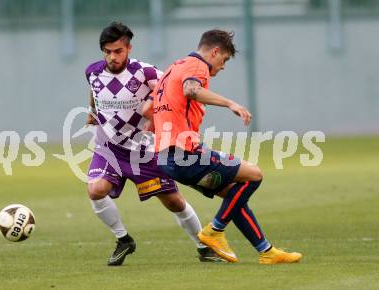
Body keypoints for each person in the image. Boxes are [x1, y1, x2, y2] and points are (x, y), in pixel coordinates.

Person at [144, 29, 302, 264]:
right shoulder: (197, 66)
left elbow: (150, 111)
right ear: (215, 51)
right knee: (254, 175)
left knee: (233, 195)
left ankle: (266, 251)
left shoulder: (172, 69)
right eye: (224, 59)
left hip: (167, 160)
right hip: (186, 154)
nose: (223, 66)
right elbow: (191, 90)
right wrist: (230, 103)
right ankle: (214, 230)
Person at [84, 22, 223, 266]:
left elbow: (169, 88)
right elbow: (94, 90)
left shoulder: (145, 72)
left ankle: (204, 247)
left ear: (128, 48)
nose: (112, 57)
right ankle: (123, 239)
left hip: (143, 150)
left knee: (173, 202)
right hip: (109, 148)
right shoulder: (92, 71)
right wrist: (91, 111)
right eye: (107, 51)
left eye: (118, 51)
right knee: (95, 190)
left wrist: (161, 118)